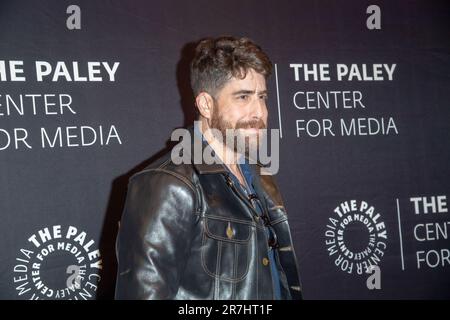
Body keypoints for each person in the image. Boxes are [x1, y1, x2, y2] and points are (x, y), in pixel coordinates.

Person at [114, 36, 302, 300]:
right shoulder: (167, 184)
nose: (260, 111)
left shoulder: (257, 173)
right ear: (205, 104)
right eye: (243, 97)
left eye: (262, 96)